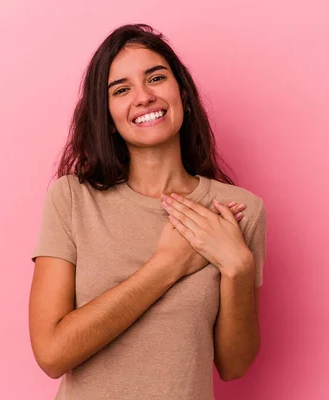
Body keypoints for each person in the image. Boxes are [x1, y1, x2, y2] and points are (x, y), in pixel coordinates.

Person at [28, 23, 267, 400]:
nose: (143, 97)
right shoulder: (72, 199)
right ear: (106, 116)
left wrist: (238, 267)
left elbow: (234, 366)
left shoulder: (238, 211)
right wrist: (166, 266)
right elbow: (52, 354)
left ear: (183, 95)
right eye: (121, 90)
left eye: (155, 78)